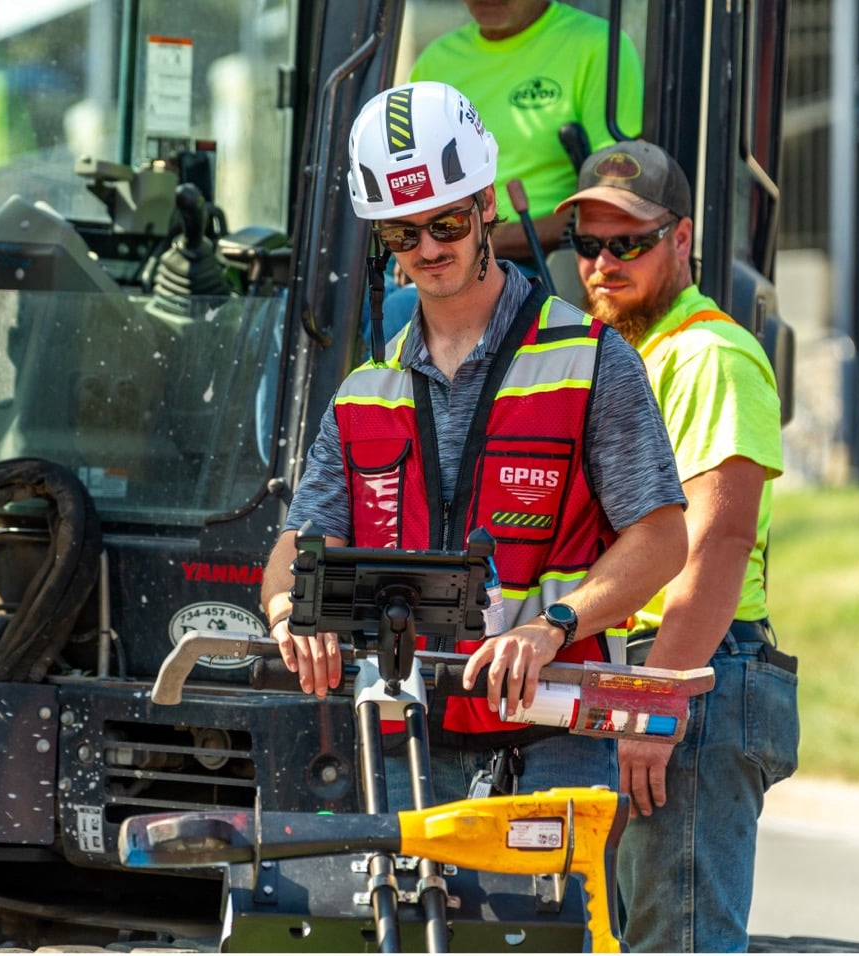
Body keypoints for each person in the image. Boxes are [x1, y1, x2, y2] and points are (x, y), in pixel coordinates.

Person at [260, 80, 688, 806]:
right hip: (404, 742)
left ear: (486, 204)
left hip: (550, 740)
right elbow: (295, 549)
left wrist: (554, 627)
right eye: (403, 232)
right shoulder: (366, 392)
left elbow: (662, 538)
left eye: (447, 223)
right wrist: (287, 615)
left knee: (545, 924)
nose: (428, 248)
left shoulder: (590, 358)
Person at [554, 139, 801, 953]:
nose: (603, 263)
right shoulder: (625, 353)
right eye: (588, 244)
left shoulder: (711, 354)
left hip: (693, 672)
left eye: (629, 242)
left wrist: (652, 701)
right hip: (649, 673)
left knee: (677, 945)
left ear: (682, 239)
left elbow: (720, 542)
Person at [367, 0, 644, 342]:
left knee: (399, 311)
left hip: (538, 264)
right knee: (341, 300)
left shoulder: (600, 48)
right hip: (432, 244)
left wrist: (472, 239)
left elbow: (618, 205)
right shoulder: (435, 63)